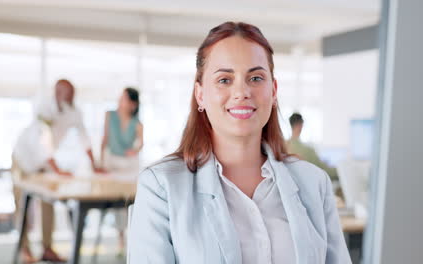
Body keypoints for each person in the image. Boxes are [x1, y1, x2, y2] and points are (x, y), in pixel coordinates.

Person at [128, 22, 350, 263]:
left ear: (273, 91)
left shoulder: (314, 183)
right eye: (224, 80)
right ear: (200, 94)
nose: (242, 92)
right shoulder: (161, 187)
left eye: (255, 78)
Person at [12, 79, 103, 263]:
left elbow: (83, 138)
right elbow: (42, 140)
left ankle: (47, 248)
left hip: (45, 164)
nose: (70, 97)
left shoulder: (74, 112)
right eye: (67, 92)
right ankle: (25, 250)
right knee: (23, 204)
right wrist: (57, 169)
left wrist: (94, 165)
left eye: (72, 93)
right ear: (57, 92)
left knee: (48, 201)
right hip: (24, 158)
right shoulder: (44, 107)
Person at [100, 87, 143, 254]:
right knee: (117, 204)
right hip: (112, 164)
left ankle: (134, 239)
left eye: (124, 98)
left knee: (131, 201)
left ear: (133, 104)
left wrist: (136, 149)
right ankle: (121, 240)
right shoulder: (109, 115)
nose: (120, 101)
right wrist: (100, 162)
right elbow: (105, 138)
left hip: (130, 166)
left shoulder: (137, 123)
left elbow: (141, 142)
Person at [286, 112, 338, 181]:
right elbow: (325, 171)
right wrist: (340, 170)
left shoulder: (282, 147)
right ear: (301, 125)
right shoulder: (307, 151)